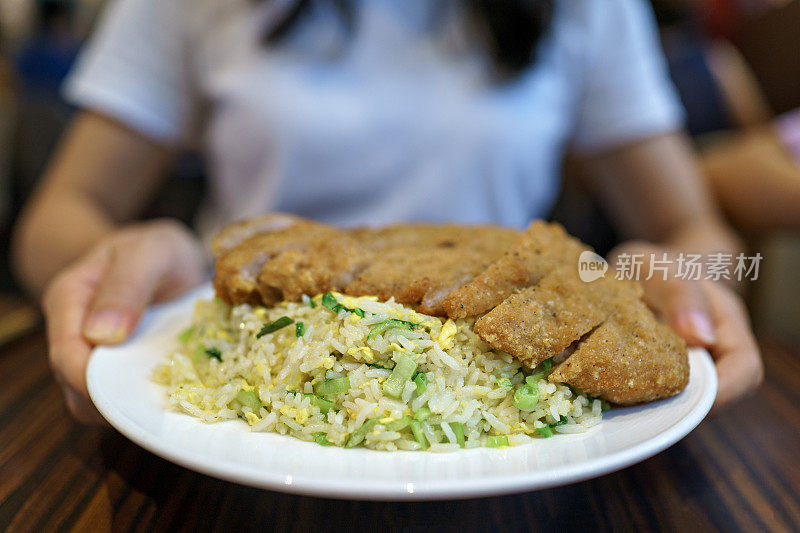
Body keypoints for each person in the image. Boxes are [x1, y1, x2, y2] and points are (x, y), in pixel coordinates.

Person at [11, 0, 762, 423]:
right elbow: (59, 215)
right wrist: (136, 261)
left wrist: (671, 277)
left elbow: (696, 231)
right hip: (251, 359)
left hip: (508, 375)